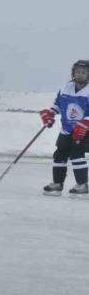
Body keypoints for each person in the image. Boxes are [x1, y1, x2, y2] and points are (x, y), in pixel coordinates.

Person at [39, 59, 89, 197]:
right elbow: (58, 104)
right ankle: (57, 184)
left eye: (83, 72)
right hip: (66, 129)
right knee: (59, 154)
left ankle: (83, 185)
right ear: (73, 73)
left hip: (83, 129)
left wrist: (85, 123)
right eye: (77, 72)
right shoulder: (67, 87)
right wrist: (50, 113)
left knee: (76, 154)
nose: (80, 74)